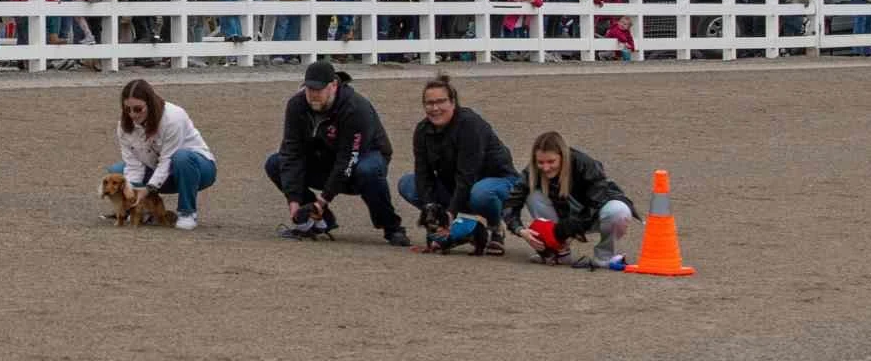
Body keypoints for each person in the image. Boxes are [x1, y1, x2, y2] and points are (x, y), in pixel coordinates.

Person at [265, 60, 408, 244]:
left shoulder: (355, 108)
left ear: (333, 86)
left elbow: (348, 159)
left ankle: (392, 227)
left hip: (362, 159)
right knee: (276, 163)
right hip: (325, 159)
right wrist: (294, 202)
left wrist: (322, 201)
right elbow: (291, 152)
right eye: (309, 89)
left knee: (367, 170)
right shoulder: (297, 105)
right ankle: (320, 220)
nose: (313, 95)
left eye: (319, 90)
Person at [398, 74, 521, 255]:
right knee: (408, 183)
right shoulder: (422, 130)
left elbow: (467, 175)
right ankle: (448, 231)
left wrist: (450, 212)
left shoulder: (469, 124)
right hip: (457, 185)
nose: (435, 108)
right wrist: (432, 212)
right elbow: (423, 174)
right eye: (429, 103)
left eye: (441, 102)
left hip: (496, 182)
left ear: (453, 102)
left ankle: (495, 228)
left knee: (481, 193)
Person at [503, 131, 637, 268]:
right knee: (532, 196)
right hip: (564, 217)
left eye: (551, 161)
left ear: (563, 156)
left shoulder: (586, 164)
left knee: (619, 210)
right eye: (540, 162)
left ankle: (604, 256)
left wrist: (568, 229)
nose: (546, 168)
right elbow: (511, 202)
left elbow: (596, 202)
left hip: (594, 214)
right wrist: (520, 230)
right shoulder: (531, 171)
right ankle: (558, 251)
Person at [107, 78, 215, 230]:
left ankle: (187, 212)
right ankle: (141, 211)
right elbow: (133, 164)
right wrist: (133, 194)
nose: (132, 115)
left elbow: (168, 160)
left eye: (138, 109)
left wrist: (148, 189)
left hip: (197, 169)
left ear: (149, 104)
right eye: (127, 109)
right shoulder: (124, 126)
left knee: (181, 157)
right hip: (159, 170)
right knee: (116, 172)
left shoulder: (173, 117)